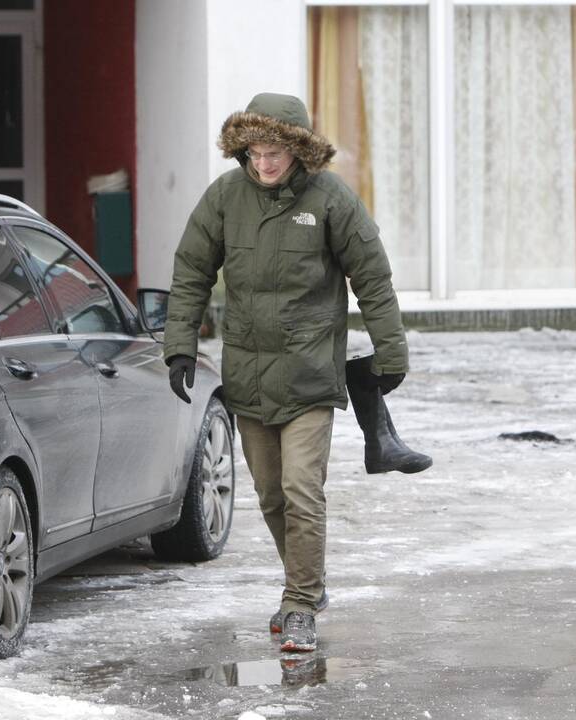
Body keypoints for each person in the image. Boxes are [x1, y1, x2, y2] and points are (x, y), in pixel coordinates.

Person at [163, 92, 410, 652]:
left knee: (302, 489)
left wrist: (390, 353)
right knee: (272, 495)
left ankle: (299, 602)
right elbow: (191, 271)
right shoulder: (225, 197)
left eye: (275, 152)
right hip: (249, 375)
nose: (264, 163)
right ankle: (309, 584)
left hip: (310, 375)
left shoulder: (329, 199)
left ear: (297, 149)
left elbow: (371, 275)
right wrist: (179, 345)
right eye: (254, 151)